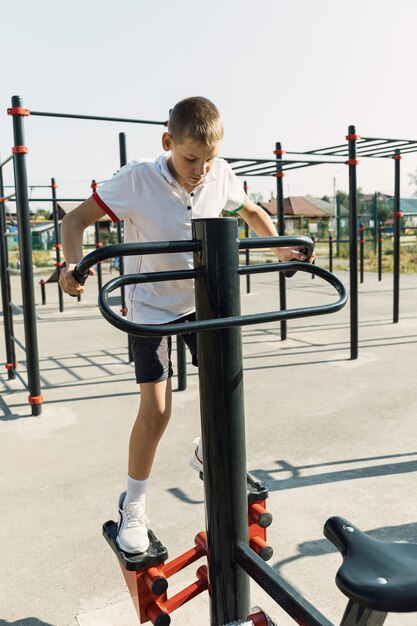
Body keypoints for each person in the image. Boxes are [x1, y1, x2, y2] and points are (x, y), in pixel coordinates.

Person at [59, 96, 312, 555]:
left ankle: (207, 452)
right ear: (168, 142)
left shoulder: (219, 171)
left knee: (225, 389)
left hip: (201, 299)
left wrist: (281, 250)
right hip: (150, 305)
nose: (200, 169)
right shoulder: (137, 178)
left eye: (209, 159)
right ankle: (132, 505)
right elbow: (76, 219)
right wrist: (72, 266)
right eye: (191, 158)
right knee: (157, 411)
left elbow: (250, 212)